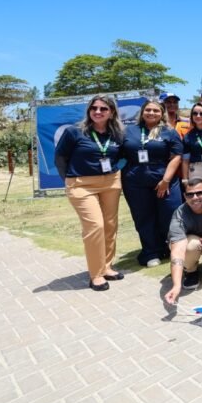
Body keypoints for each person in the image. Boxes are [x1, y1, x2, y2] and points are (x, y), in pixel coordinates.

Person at [55, 95, 126, 292]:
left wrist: (115, 169)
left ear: (111, 112)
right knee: (95, 226)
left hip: (110, 182)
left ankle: (106, 266)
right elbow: (60, 158)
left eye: (103, 109)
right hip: (81, 185)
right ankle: (96, 275)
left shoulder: (117, 134)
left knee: (110, 225)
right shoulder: (74, 132)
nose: (98, 112)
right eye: (94, 108)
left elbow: (121, 156)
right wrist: (69, 181)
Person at [121, 100, 183, 268]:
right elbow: (117, 152)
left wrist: (166, 180)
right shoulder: (128, 131)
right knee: (143, 216)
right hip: (135, 180)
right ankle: (151, 251)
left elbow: (177, 155)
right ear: (142, 112)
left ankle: (172, 247)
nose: (151, 113)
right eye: (148, 110)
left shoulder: (169, 131)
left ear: (161, 113)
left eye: (156, 110)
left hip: (164, 178)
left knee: (171, 213)